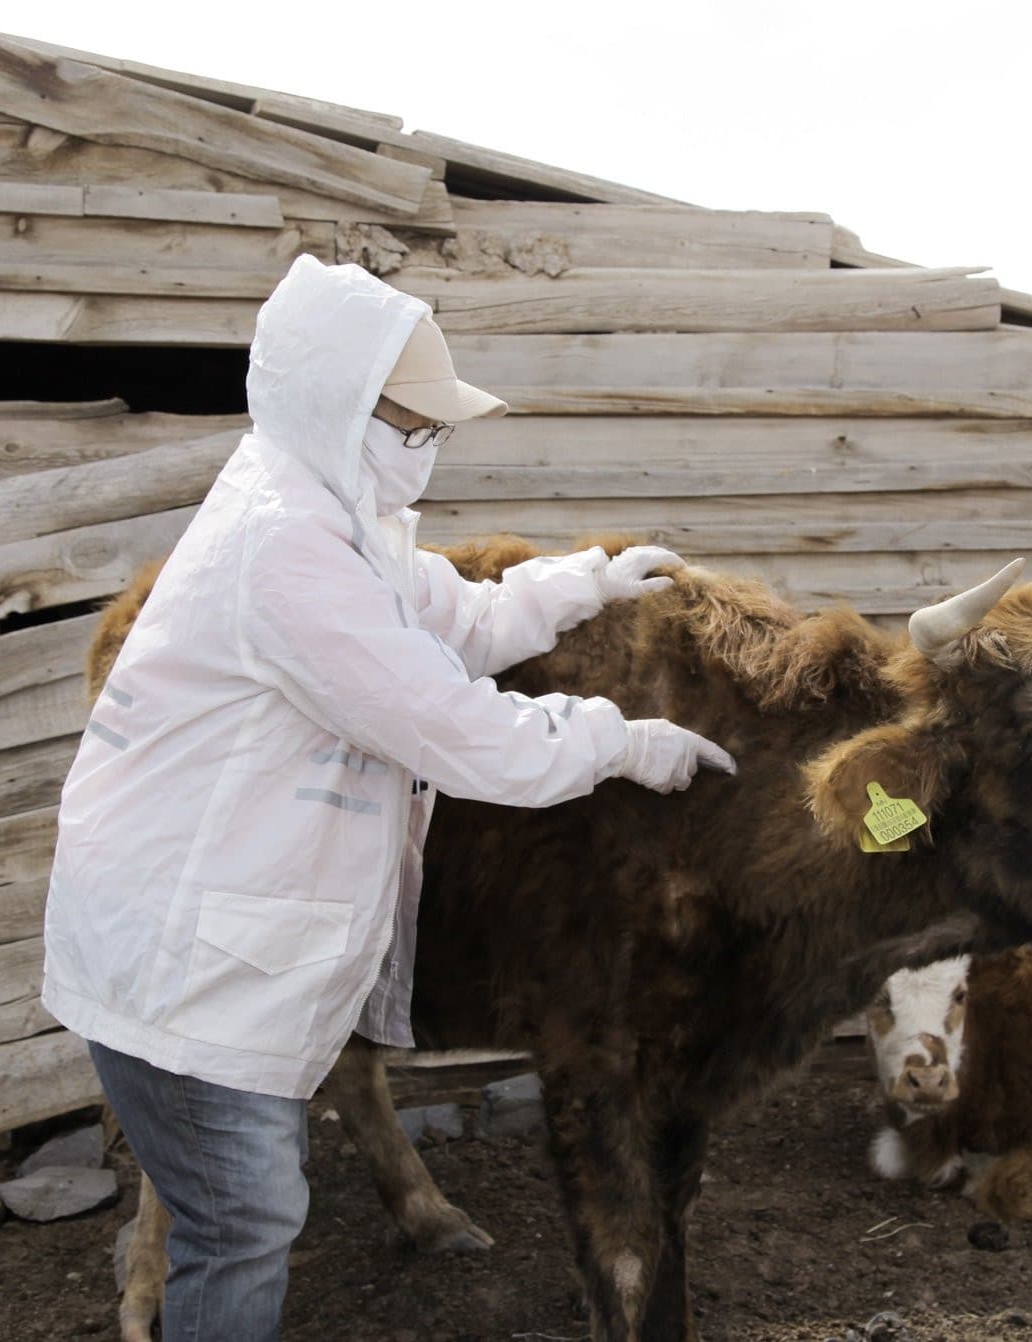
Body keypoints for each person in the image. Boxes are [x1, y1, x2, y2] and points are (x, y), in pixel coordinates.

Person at [39, 254, 735, 1341]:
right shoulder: (286, 553)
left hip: (207, 938)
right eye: (412, 425)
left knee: (251, 1202)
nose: (429, 448)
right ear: (337, 407)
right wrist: (619, 741)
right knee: (244, 1217)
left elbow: (458, 617)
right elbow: (457, 728)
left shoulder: (329, 511)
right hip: (177, 959)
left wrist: (585, 577)